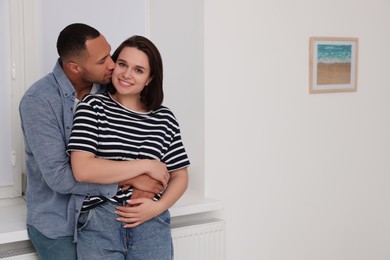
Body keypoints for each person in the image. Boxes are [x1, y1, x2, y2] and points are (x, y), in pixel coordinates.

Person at [19, 23, 166, 260]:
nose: (112, 64)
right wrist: (133, 179)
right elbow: (59, 177)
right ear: (75, 67)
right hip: (59, 224)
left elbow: (134, 144)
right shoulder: (38, 101)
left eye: (110, 54)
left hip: (105, 217)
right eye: (102, 60)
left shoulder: (111, 90)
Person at [67, 35, 190, 260]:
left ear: (150, 78)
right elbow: (83, 169)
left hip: (151, 223)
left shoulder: (164, 118)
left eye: (138, 70)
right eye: (122, 64)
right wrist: (146, 165)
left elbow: (180, 176)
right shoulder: (92, 107)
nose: (126, 74)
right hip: (100, 223)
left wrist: (157, 208)